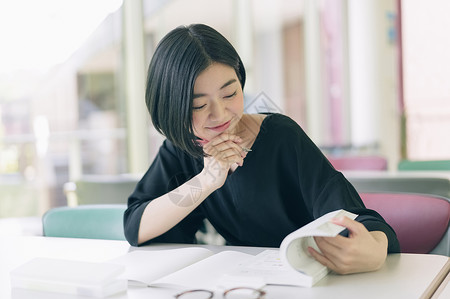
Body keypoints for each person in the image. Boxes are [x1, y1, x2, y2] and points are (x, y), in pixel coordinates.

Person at [124, 23, 399, 275]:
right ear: (171, 109)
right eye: (198, 105)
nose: (219, 114)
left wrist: (375, 252)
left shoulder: (281, 136)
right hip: (245, 282)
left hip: (307, 281)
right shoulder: (182, 148)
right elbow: (137, 225)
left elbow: (357, 217)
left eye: (230, 94)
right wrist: (206, 181)